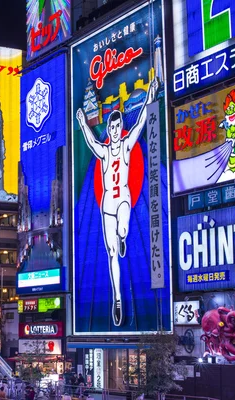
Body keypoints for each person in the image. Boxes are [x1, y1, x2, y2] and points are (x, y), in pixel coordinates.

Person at [75, 78, 159, 327]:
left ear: (120, 127)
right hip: (106, 204)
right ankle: (118, 298)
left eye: (117, 125)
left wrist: (150, 96)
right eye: (112, 127)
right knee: (112, 253)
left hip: (123, 197)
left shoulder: (125, 147)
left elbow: (141, 121)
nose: (114, 130)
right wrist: (81, 122)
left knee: (123, 229)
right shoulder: (103, 150)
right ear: (109, 129)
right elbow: (90, 142)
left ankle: (124, 236)